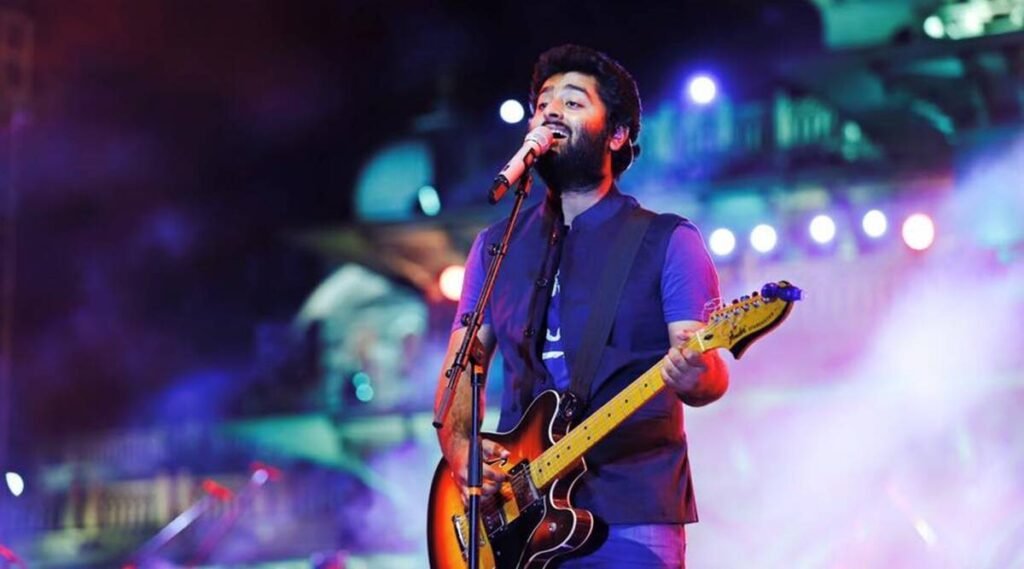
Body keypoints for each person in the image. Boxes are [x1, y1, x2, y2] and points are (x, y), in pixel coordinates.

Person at [433, 44, 729, 568]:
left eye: (573, 103)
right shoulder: (496, 247)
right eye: (543, 102)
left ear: (615, 134)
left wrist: (694, 372)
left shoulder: (666, 241)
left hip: (629, 514)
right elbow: (464, 362)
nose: (550, 111)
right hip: (518, 521)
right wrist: (460, 451)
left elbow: (708, 378)